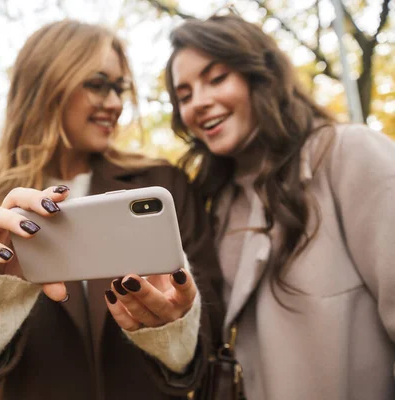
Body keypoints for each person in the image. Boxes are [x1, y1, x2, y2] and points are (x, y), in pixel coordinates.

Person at [0, 19, 217, 400]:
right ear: (46, 84)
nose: (114, 103)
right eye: (97, 84)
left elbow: (209, 322)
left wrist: (172, 327)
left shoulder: (160, 185)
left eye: (119, 88)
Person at [165, 12, 395, 400]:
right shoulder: (216, 202)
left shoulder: (347, 153)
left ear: (261, 75)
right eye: (184, 96)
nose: (200, 103)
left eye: (217, 78)